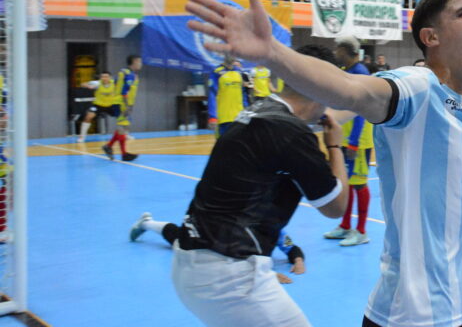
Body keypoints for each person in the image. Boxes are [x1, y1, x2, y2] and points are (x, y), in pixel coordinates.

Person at [185, 0, 462, 327]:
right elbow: (353, 89)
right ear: (431, 37)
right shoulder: (419, 87)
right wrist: (273, 54)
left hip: (452, 309)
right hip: (411, 317)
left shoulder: (457, 93)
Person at [168, 44, 349, 327]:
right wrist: (335, 146)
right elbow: (335, 207)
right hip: (228, 274)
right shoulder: (292, 132)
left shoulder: (260, 110)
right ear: (322, 88)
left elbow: (326, 117)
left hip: (193, 260)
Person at [130, 215, 306, 284]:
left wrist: (298, 260)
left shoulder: (275, 229)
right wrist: (268, 274)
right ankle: (146, 223)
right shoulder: (242, 228)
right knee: (177, 237)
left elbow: (292, 248)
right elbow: (232, 258)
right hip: (205, 240)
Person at [323, 36, 373, 247]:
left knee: (359, 184)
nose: (335, 52)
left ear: (346, 50)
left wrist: (353, 142)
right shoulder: (347, 72)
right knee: (347, 184)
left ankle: (361, 231)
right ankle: (345, 226)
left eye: (338, 49)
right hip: (345, 136)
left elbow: (362, 110)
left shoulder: (361, 73)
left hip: (358, 140)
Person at [102, 55, 142, 161]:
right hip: (122, 103)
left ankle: (109, 146)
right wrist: (127, 105)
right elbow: (125, 91)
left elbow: (115, 83)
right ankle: (124, 154)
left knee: (123, 127)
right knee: (122, 127)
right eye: (139, 62)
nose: (140, 64)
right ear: (134, 62)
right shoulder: (130, 74)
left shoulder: (123, 72)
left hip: (117, 102)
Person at [77, 71, 127, 154]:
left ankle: (126, 134)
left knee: (122, 118)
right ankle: (82, 137)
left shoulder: (115, 83)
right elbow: (82, 84)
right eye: (103, 76)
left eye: (106, 76)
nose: (104, 78)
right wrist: (88, 86)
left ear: (110, 77)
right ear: (100, 78)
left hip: (110, 105)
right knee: (88, 117)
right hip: (98, 105)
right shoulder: (97, 83)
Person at [207, 54, 249, 138]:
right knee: (223, 147)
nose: (232, 55)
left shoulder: (239, 72)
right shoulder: (217, 72)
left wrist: (246, 111)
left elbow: (243, 94)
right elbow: (212, 95)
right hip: (223, 118)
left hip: (238, 118)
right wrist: (212, 116)